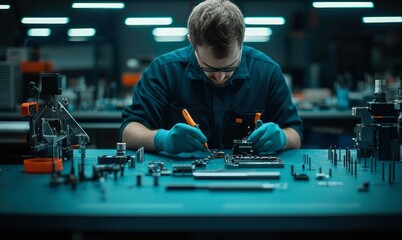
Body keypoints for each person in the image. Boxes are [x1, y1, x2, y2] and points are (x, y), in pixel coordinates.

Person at [120, 0, 303, 154]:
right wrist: (161, 139)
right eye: (208, 67)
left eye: (230, 67)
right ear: (192, 41)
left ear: (242, 40)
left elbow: (295, 132)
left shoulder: (268, 72)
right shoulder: (163, 71)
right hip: (181, 179)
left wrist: (282, 138)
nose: (220, 76)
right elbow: (128, 131)